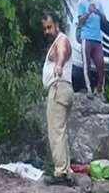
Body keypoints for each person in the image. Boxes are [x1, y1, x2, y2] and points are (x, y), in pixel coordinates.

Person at [41, 12, 74, 186]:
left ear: (57, 25)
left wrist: (59, 65)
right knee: (61, 132)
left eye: (49, 27)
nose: (47, 31)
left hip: (58, 88)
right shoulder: (59, 40)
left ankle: (60, 173)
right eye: (45, 28)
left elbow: (61, 52)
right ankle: (66, 172)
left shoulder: (61, 40)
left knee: (55, 132)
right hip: (64, 88)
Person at [77, 0, 106, 95]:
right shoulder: (81, 3)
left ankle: (100, 90)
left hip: (97, 38)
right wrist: (88, 12)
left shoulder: (98, 2)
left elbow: (105, 21)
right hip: (87, 37)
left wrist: (98, 12)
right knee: (87, 65)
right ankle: (88, 88)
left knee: (101, 64)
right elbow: (80, 21)